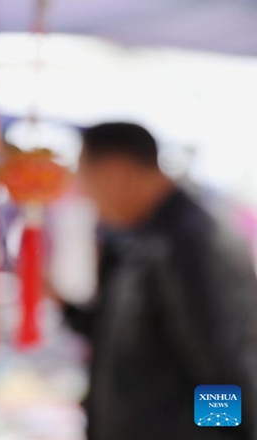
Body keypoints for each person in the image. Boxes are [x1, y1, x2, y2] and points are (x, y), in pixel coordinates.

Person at [64, 121, 257, 440]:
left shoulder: (190, 242)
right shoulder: (148, 236)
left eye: (87, 180)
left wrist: (227, 435)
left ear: (118, 171)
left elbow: (222, 367)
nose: (86, 195)